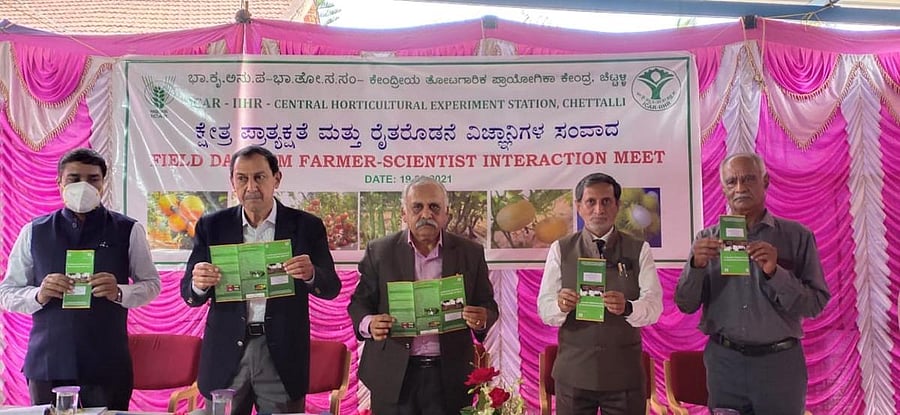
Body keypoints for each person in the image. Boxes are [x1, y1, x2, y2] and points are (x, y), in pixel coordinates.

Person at [181, 145, 341, 414]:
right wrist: (199, 283)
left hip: (281, 354)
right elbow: (189, 293)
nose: (251, 186)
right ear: (233, 182)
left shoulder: (306, 226)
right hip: (226, 354)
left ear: (276, 179)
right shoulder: (212, 226)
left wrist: (311, 274)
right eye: (242, 178)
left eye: (260, 177)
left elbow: (332, 287)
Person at [0, 148, 161, 409]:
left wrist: (120, 292)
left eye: (92, 179)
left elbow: (152, 285)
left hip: (106, 362)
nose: (83, 186)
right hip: (48, 362)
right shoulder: (34, 231)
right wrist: (38, 294)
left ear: (103, 183)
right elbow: (6, 293)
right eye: (74, 178)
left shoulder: (128, 229)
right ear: (59, 182)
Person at [675, 152, 831, 414]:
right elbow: (685, 304)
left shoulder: (797, 237)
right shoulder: (706, 239)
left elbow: (815, 304)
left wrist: (775, 272)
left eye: (748, 179)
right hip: (725, 365)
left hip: (780, 366)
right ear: (723, 187)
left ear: (765, 181)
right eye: (731, 181)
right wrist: (696, 267)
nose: (740, 188)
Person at [348, 177, 499, 415]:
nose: (426, 214)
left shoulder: (470, 252)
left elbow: (487, 304)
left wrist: (482, 318)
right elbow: (359, 303)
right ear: (404, 213)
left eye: (434, 207)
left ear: (446, 213)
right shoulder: (380, 251)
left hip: (449, 375)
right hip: (393, 374)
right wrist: (370, 323)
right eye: (417, 207)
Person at [537, 172, 663, 415]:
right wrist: (561, 305)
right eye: (590, 202)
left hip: (624, 377)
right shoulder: (560, 249)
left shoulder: (639, 249)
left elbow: (654, 306)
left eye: (606, 201)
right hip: (573, 376)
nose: (598, 209)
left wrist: (628, 307)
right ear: (578, 207)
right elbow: (545, 309)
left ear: (617, 206)